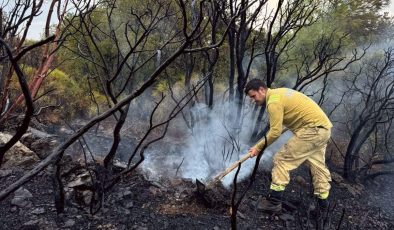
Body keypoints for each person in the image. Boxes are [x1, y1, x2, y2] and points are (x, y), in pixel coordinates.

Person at [244, 78, 332, 214]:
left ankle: (273, 202)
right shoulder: (279, 93)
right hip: (324, 129)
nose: (253, 100)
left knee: (281, 160)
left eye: (253, 96)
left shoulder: (273, 101)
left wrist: (258, 147)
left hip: (312, 130)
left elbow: (275, 132)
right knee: (318, 167)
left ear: (262, 90)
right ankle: (323, 207)